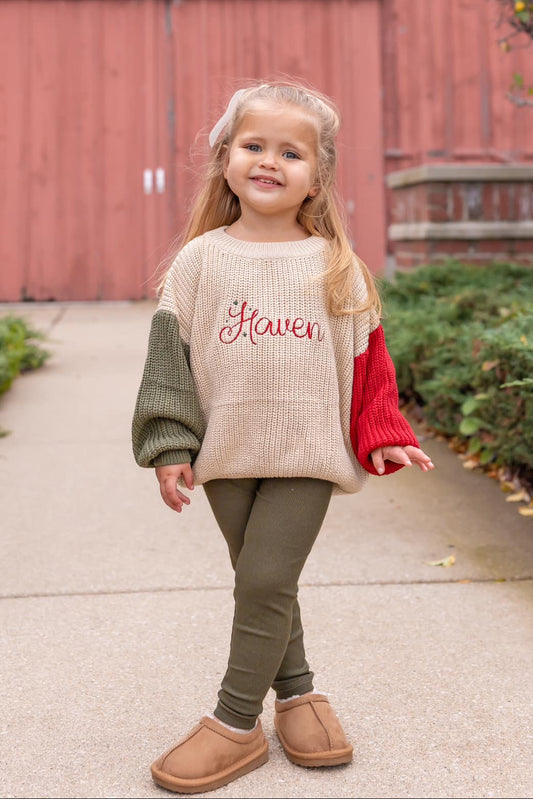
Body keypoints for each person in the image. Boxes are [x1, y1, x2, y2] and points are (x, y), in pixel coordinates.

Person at [132, 80, 435, 795]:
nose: (269, 161)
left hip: (307, 453)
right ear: (226, 160)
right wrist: (170, 442)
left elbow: (368, 364)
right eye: (253, 145)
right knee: (261, 581)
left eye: (290, 152)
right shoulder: (200, 260)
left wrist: (381, 432)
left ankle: (236, 723)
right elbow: (167, 361)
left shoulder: (333, 266)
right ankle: (297, 693)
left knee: (265, 578)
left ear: (317, 176)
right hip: (226, 452)